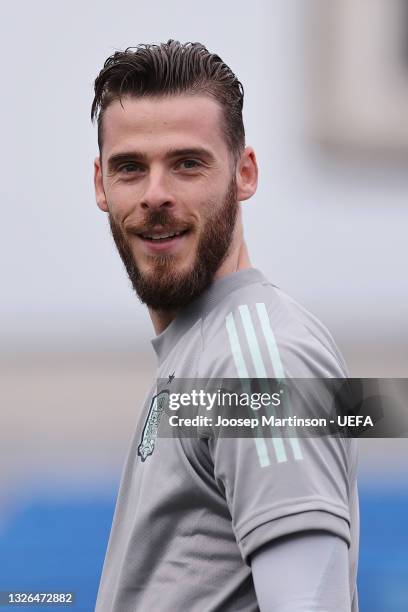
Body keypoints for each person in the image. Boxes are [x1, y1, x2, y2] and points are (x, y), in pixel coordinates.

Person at [91, 40, 359, 611]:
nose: (156, 195)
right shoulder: (203, 349)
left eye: (188, 163)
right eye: (131, 168)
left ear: (245, 174)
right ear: (101, 185)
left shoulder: (258, 366)